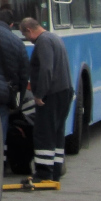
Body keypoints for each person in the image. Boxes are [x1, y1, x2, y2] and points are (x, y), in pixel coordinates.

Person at [19, 17, 73, 182]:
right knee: (57, 133)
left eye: (25, 35)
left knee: (44, 133)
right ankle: (56, 169)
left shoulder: (43, 42)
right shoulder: (54, 37)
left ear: (29, 30)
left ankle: (43, 173)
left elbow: (46, 69)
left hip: (51, 94)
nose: (27, 39)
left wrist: (40, 94)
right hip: (64, 91)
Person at [0, 8, 27, 144]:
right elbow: (24, 74)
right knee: (0, 125)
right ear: (11, 25)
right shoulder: (17, 42)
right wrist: (19, 97)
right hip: (2, 93)